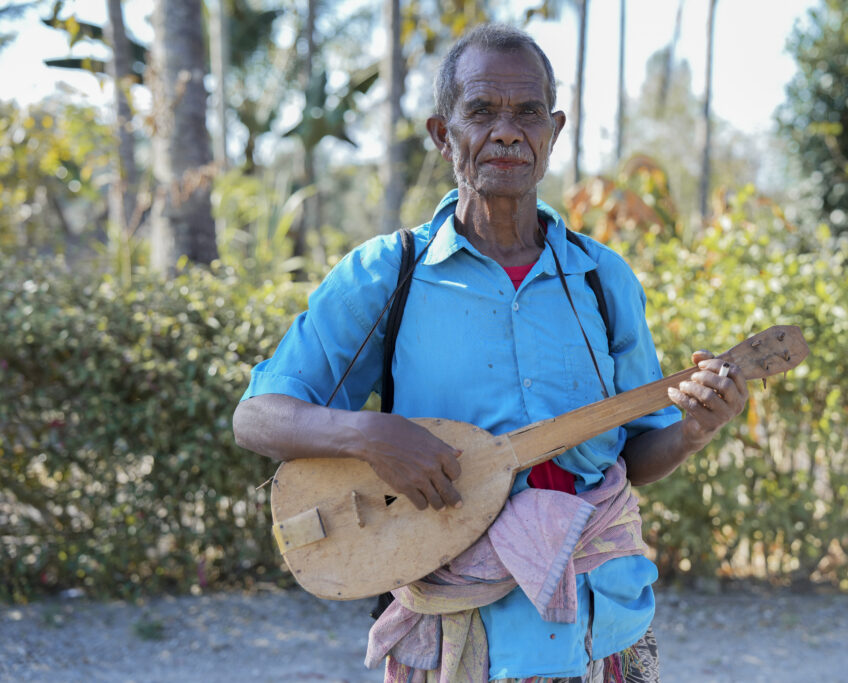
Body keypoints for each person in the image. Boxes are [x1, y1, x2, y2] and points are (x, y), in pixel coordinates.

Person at [233, 23, 748, 683]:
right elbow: (258, 417)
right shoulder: (389, 273)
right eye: (481, 111)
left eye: (528, 112)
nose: (507, 131)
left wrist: (697, 427)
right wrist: (370, 433)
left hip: (603, 627)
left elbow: (636, 455)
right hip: (459, 633)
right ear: (442, 135)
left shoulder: (601, 278)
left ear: (554, 131)